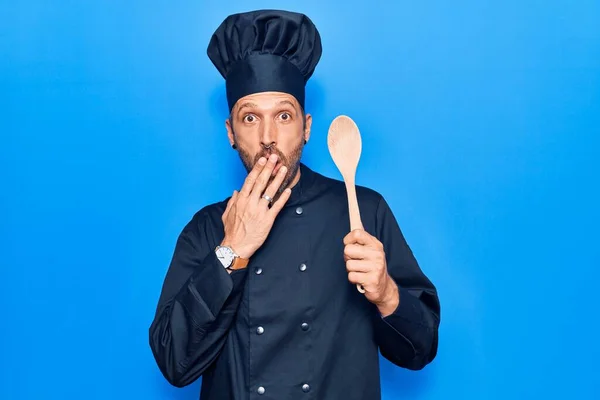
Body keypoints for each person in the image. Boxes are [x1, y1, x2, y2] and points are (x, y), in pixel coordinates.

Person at [149, 9, 441, 400]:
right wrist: (231, 252)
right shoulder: (207, 228)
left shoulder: (363, 211)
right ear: (231, 133)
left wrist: (387, 293)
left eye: (283, 116)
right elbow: (174, 363)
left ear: (305, 127)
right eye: (249, 118)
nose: (268, 136)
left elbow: (421, 350)